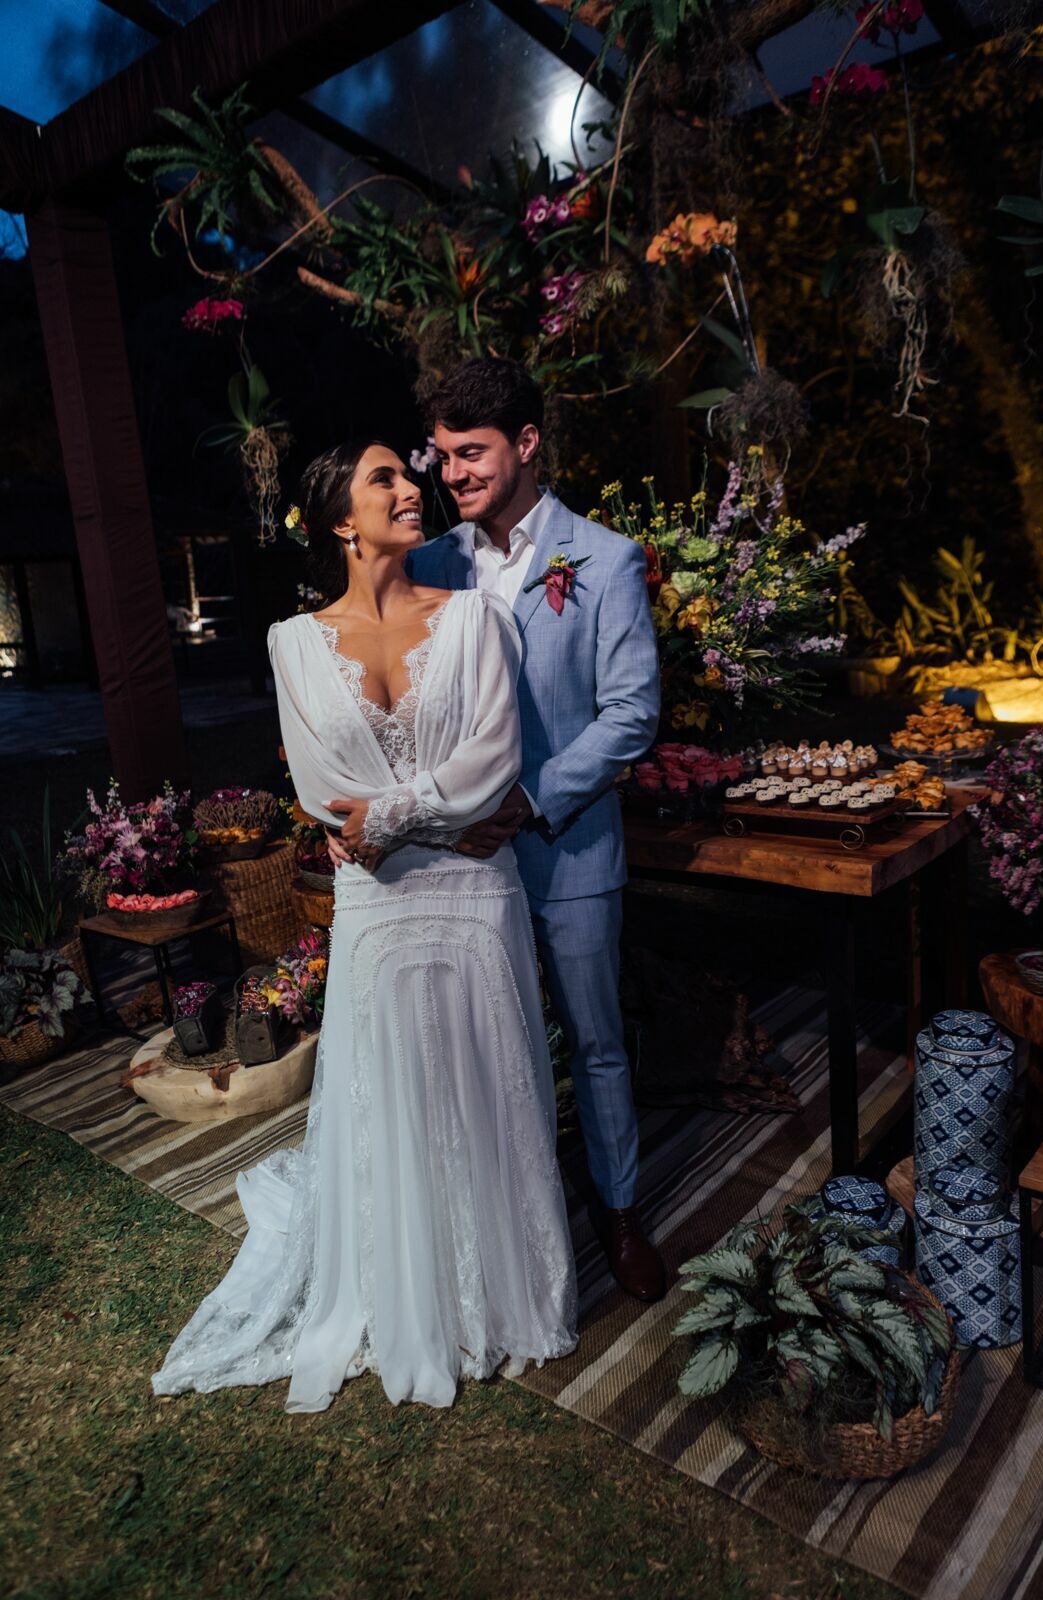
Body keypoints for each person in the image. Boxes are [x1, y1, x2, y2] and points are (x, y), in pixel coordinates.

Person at [152, 439, 577, 1412]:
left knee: (485, 1079)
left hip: (473, 895)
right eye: (383, 477)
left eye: (407, 473)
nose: (409, 488)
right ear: (340, 519)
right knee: (395, 1087)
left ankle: (501, 1291)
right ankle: (407, 1284)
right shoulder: (292, 643)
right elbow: (316, 788)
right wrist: (414, 819)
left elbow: (491, 761)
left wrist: (385, 820)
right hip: (378, 907)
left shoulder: (477, 620)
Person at [327, 359, 666, 1302]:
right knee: (484, 1046)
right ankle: (491, 1217)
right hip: (452, 868)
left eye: (469, 452)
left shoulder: (602, 558)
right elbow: (377, 694)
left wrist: (532, 799)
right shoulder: (427, 564)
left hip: (567, 853)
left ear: (524, 444)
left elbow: (630, 714)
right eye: (438, 455)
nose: (450, 474)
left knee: (594, 1042)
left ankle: (621, 1209)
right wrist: (357, 813)